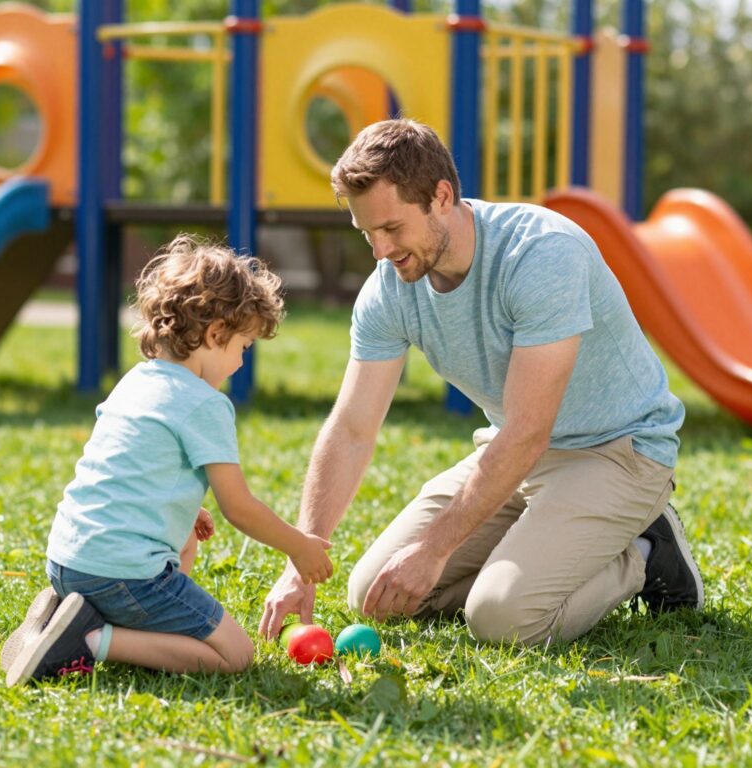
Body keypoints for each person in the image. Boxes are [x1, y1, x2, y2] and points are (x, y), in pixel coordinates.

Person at [259, 119, 702, 647]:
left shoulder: (541, 255)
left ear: (441, 196)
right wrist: (302, 559)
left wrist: (434, 551)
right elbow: (352, 428)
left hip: (617, 453)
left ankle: (645, 554)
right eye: (367, 234)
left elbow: (528, 430)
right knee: (374, 596)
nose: (379, 252)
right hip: (515, 458)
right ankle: (531, 558)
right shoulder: (391, 288)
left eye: (392, 229)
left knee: (502, 619)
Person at [3, 235, 333, 687]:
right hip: (120, 573)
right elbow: (239, 508)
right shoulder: (205, 403)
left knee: (186, 543)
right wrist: (298, 546)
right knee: (235, 654)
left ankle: (65, 611)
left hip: (68, 560)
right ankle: (89, 639)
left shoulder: (137, 380)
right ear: (215, 334)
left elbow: (122, 465)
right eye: (243, 346)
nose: (240, 361)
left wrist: (176, 505)